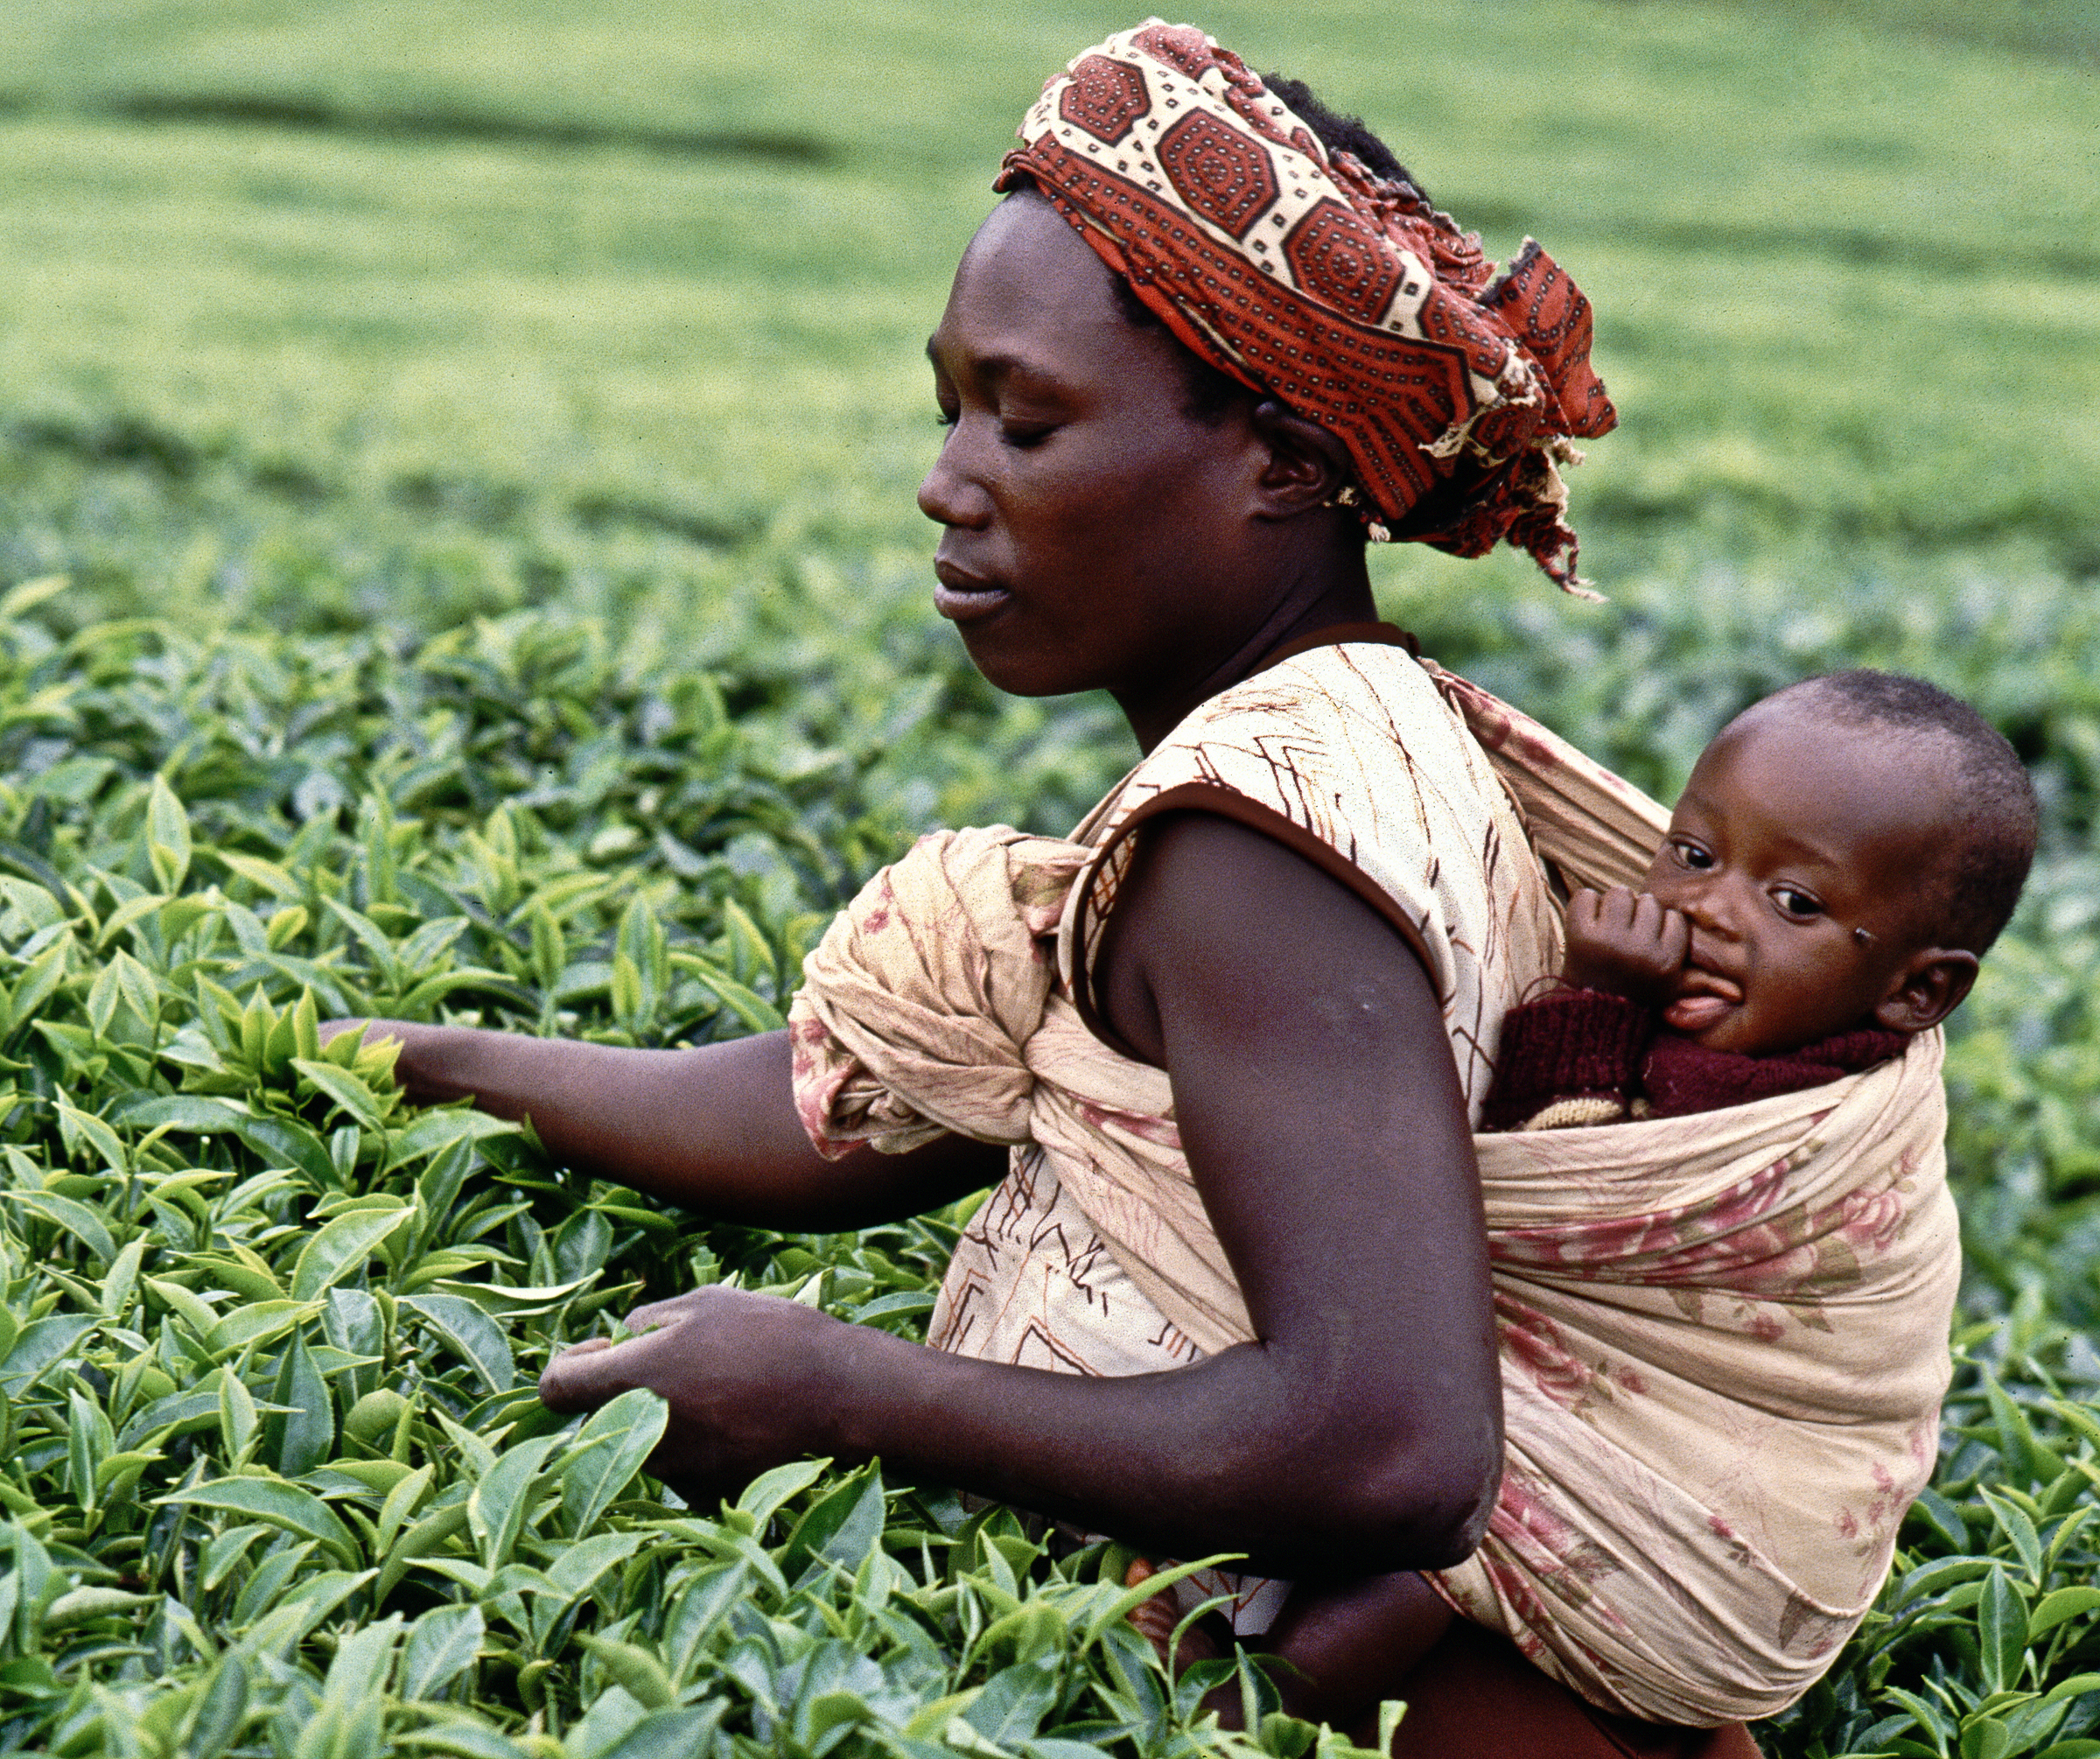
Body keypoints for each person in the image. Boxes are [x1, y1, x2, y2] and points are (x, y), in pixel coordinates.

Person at [338, 25, 1938, 1755]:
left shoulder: (1258, 842)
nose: (949, 480)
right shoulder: (1372, 743)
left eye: (1026, 420)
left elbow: (1395, 1445)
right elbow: (848, 1122)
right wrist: (426, 1066)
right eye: (947, 405)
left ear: (1283, 459)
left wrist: (840, 1389)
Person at [1124, 667, 2037, 1731]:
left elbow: (1561, 1176)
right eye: (1694, 856)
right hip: (1639, 1482)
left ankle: (1212, 1728)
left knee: (1410, 1565)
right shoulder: (1777, 1024)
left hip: (1712, 1516)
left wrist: (1596, 999)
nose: (1705, 911)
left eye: (1792, 904)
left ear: (1918, 992)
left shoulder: (1790, 1105)